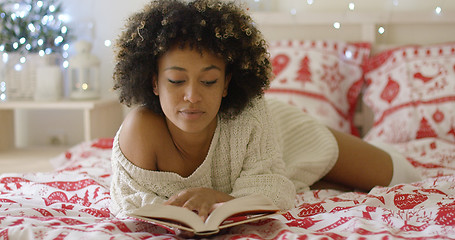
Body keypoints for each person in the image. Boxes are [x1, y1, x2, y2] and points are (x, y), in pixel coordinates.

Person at [110, 0, 420, 222]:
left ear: (227, 84)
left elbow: (272, 188)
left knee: (403, 176)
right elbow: (129, 203)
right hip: (266, 161)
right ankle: (312, 180)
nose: (192, 96)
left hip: (289, 135)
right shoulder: (139, 130)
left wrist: (219, 199)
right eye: (176, 80)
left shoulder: (251, 114)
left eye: (209, 81)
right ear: (153, 81)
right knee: (308, 182)